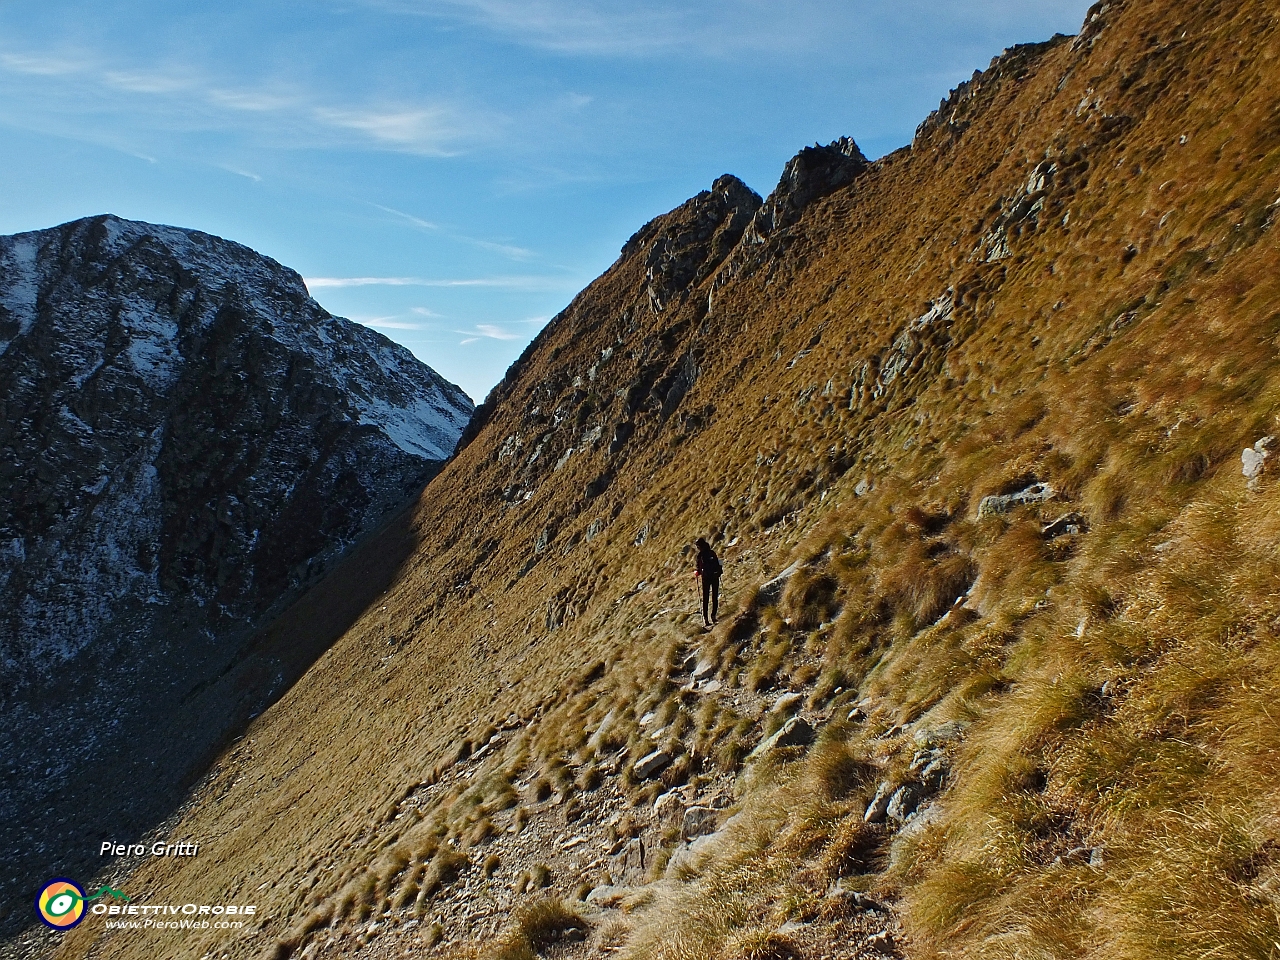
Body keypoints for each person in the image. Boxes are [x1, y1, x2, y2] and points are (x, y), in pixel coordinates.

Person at [694, 537, 722, 627]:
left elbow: (698, 568)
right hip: (715, 577)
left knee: (705, 598)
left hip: (706, 578)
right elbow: (718, 563)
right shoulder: (711, 552)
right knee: (715, 596)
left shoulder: (700, 555)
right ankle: (713, 616)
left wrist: (697, 572)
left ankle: (706, 619)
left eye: (697, 546)